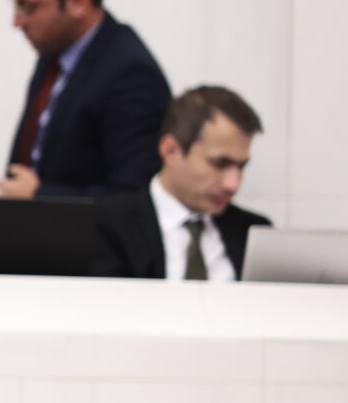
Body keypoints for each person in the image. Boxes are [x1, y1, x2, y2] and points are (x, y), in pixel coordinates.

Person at [0, 0, 171, 201]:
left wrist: (40, 196)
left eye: (29, 7)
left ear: (78, 2)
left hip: (74, 230)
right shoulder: (54, 52)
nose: (17, 21)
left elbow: (136, 199)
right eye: (15, 4)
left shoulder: (131, 75)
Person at [92, 85, 270, 280]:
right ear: (170, 151)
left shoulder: (253, 233)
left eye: (241, 166)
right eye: (219, 163)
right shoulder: (110, 226)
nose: (233, 184)